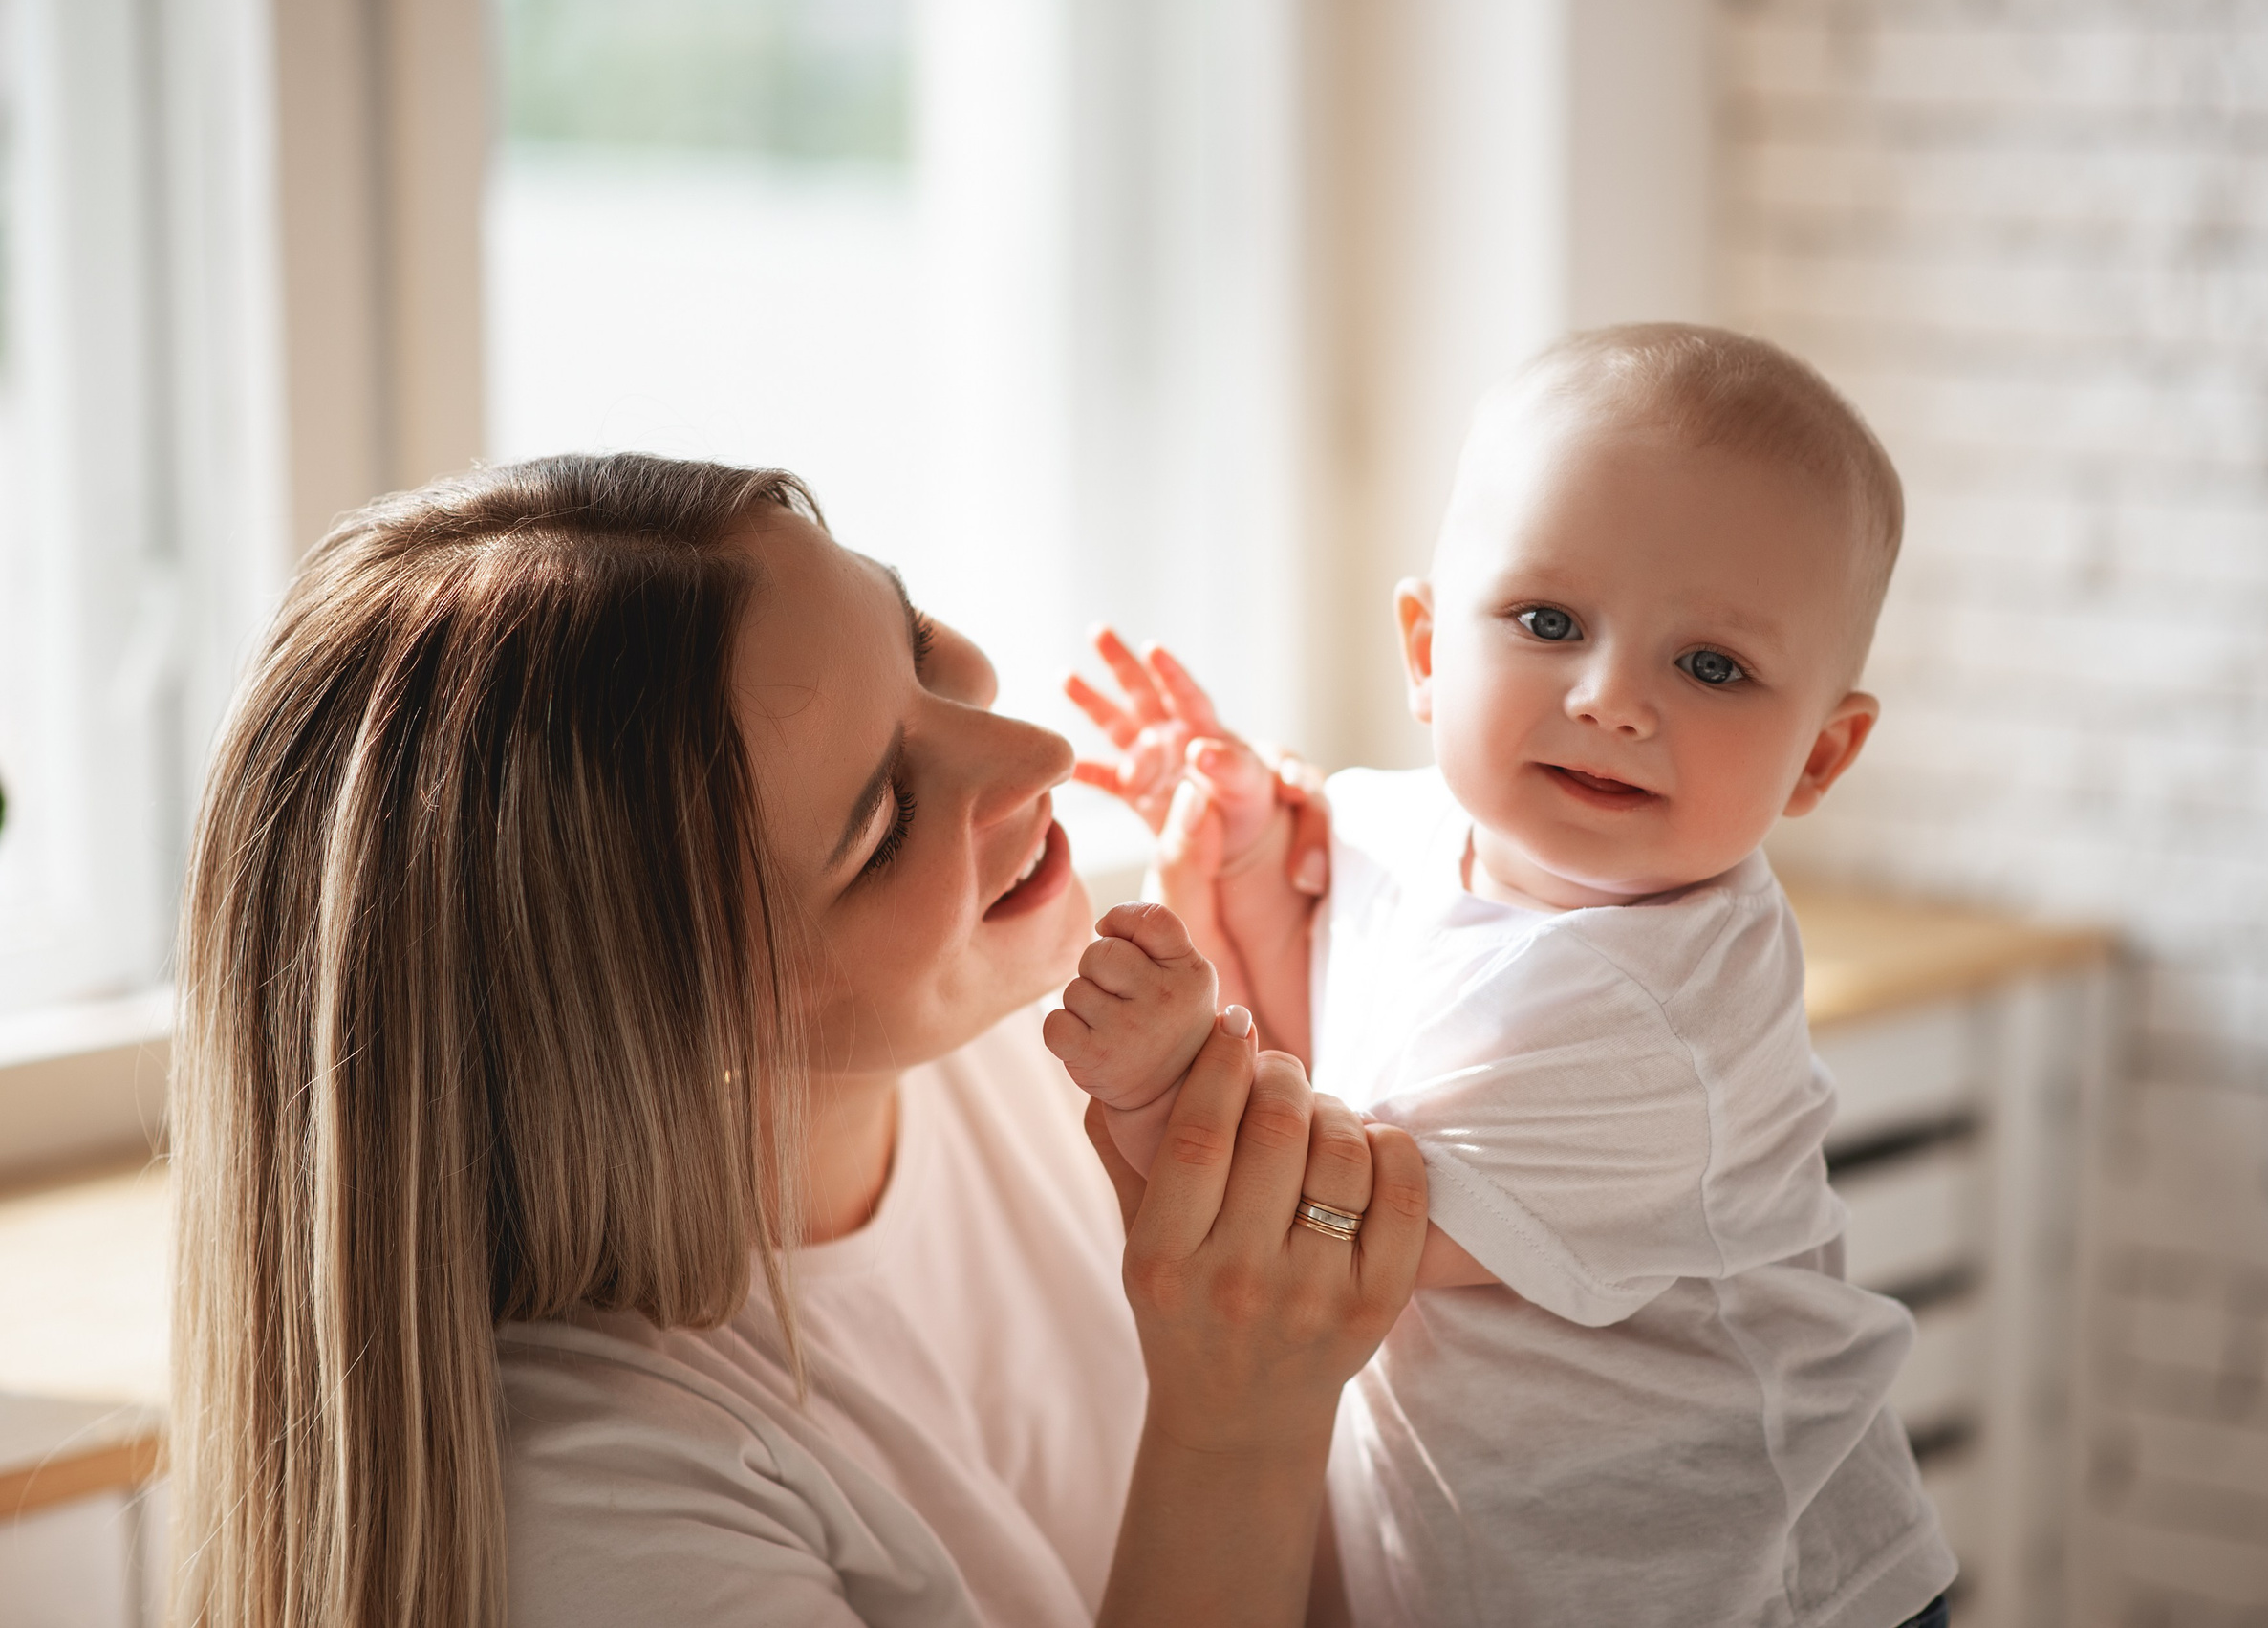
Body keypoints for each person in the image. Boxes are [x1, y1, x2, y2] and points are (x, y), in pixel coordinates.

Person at [168, 453, 1426, 1628]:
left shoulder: (1010, 1038)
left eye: (921, 643)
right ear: (651, 1028)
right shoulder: (595, 1510)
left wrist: (1284, 1006)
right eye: (884, 818)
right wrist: (1236, 1427)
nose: (1039, 751)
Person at [1054, 325, 1956, 1626]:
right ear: (1426, 652)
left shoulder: (1650, 1016)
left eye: (1710, 664)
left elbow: (1331, 1234)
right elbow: (1335, 1062)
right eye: (1548, 620)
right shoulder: (1387, 829)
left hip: (1751, 1594)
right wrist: (1246, 854)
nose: (1608, 696)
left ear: (1820, 756)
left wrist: (1152, 1090)